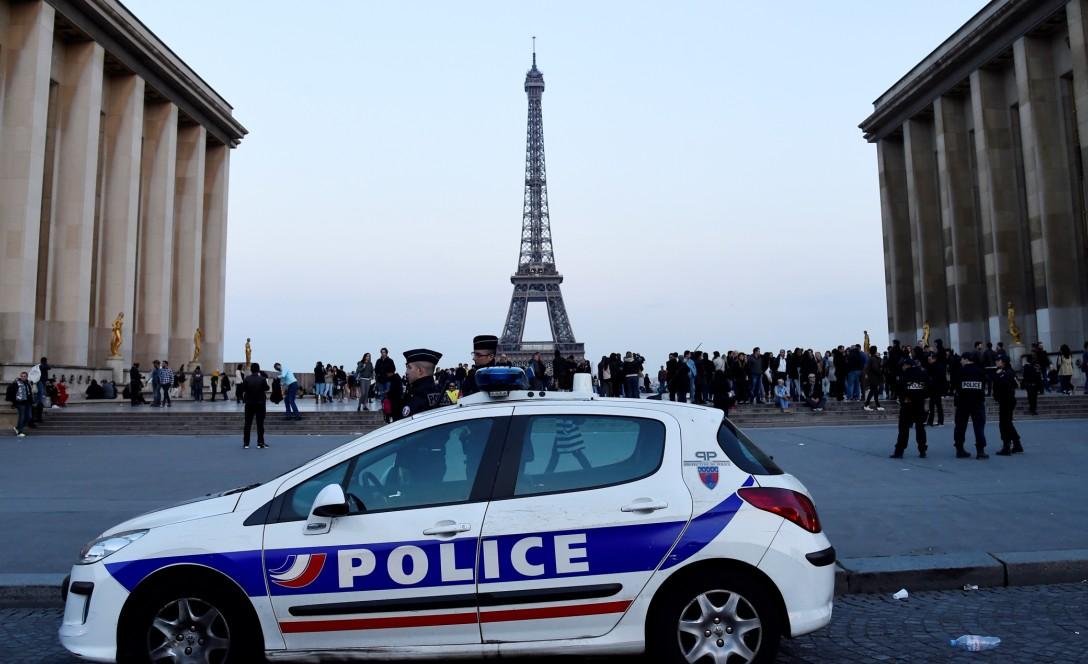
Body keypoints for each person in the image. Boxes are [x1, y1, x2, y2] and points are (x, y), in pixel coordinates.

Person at [891, 358, 930, 458]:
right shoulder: (923, 374)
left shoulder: (904, 375)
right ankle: (922, 450)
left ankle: (899, 451)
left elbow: (898, 388)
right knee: (920, 427)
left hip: (907, 404)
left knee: (903, 429)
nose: (902, 367)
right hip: (919, 404)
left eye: (903, 366)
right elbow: (928, 389)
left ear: (907, 365)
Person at [396, 349, 450, 420]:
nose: (406, 372)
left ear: (420, 371)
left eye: (409, 368)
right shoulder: (442, 393)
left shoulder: (417, 395)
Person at [953, 352, 988, 459]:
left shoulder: (960, 371)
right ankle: (980, 450)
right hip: (977, 402)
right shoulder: (980, 371)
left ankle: (959, 449)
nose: (960, 361)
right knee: (979, 426)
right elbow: (983, 386)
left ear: (966, 359)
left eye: (962, 359)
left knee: (960, 426)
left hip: (963, 403)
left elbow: (956, 387)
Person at [992, 356, 1023, 456]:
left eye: (998, 360)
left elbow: (1004, 385)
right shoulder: (1010, 372)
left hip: (1006, 400)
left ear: (1003, 362)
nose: (996, 362)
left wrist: (997, 376)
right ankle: (1016, 443)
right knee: (1007, 422)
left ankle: (1006, 446)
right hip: (1008, 400)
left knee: (1004, 424)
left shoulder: (1005, 372)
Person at [241, 362, 269, 449]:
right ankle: (260, 443)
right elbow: (267, 388)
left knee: (247, 424)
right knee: (260, 424)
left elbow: (243, 389)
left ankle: (246, 443)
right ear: (258, 370)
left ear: (251, 370)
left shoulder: (247, 379)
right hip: (260, 403)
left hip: (249, 403)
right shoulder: (262, 379)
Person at [924, 352, 946, 426]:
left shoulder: (934, 367)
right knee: (935, 405)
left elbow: (937, 378)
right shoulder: (938, 366)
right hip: (936, 389)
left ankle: (934, 421)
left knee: (934, 406)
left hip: (935, 389)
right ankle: (938, 421)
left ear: (934, 359)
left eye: (929, 359)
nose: (928, 360)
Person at [863, 346, 884, 411]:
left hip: (872, 378)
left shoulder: (871, 358)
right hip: (874, 378)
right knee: (873, 391)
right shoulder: (874, 359)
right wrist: (881, 372)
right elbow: (875, 368)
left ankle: (874, 405)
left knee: (873, 392)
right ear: (875, 351)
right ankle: (868, 405)